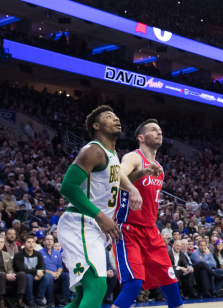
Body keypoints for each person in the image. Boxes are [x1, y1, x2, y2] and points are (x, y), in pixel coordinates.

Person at [56, 106, 142, 308]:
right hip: (80, 223)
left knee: (82, 297)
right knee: (97, 287)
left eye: (116, 115)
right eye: (109, 117)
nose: (116, 118)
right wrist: (100, 216)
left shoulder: (111, 154)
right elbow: (68, 187)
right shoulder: (93, 150)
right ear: (96, 126)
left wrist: (142, 174)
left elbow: (114, 182)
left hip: (92, 226)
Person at [111, 119, 185, 308]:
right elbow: (117, 175)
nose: (159, 132)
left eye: (160, 130)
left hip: (151, 231)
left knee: (171, 285)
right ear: (141, 138)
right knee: (134, 285)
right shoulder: (133, 157)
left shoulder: (158, 168)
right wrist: (133, 188)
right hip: (128, 230)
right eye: (153, 130)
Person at [0, 235, 26, 308]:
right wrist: (5, 275)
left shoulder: (6, 254)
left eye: (1, 242)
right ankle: (1, 302)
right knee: (2, 275)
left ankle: (20, 300)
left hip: (6, 276)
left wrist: (10, 273)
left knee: (22, 274)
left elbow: (10, 268)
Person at [13, 235, 46, 307]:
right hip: (23, 275)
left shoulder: (38, 254)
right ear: (24, 244)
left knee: (47, 276)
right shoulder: (19, 255)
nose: (31, 244)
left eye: (33, 242)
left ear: (35, 244)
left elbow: (42, 266)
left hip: (34, 274)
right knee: (28, 276)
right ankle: (30, 300)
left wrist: (39, 273)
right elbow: (21, 269)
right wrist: (36, 272)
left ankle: (39, 298)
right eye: (28, 242)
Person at [39, 235, 68, 307]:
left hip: (56, 274)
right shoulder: (39, 253)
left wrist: (58, 273)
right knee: (49, 276)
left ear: (53, 242)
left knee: (67, 276)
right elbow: (41, 268)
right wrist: (52, 273)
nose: (49, 241)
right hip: (46, 274)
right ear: (44, 242)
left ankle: (65, 300)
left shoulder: (57, 253)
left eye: (51, 240)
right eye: (47, 239)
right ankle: (50, 301)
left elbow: (60, 266)